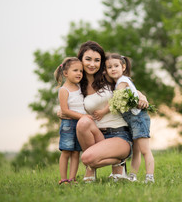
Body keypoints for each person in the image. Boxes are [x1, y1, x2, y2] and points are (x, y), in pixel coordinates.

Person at [59, 41, 149, 183]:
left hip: (119, 134)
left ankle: (108, 164)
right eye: (88, 59)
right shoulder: (78, 85)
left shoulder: (107, 77)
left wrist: (142, 96)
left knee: (87, 158)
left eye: (97, 60)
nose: (92, 64)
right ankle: (114, 163)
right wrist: (61, 111)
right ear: (80, 60)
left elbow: (128, 86)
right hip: (96, 135)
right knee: (83, 123)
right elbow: (69, 103)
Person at [105, 53, 155, 183]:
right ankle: (133, 176)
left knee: (145, 150)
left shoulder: (122, 81)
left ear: (123, 67)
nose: (113, 69)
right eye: (109, 67)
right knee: (136, 152)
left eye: (116, 66)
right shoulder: (122, 81)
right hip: (132, 120)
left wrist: (103, 110)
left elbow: (118, 98)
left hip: (138, 118)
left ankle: (150, 177)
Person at [54, 57, 90, 184]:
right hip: (68, 124)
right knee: (66, 152)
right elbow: (65, 110)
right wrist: (83, 117)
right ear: (65, 73)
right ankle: (64, 179)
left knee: (76, 152)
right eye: (75, 70)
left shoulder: (80, 87)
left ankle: (72, 178)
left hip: (80, 124)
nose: (79, 73)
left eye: (81, 71)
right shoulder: (64, 90)